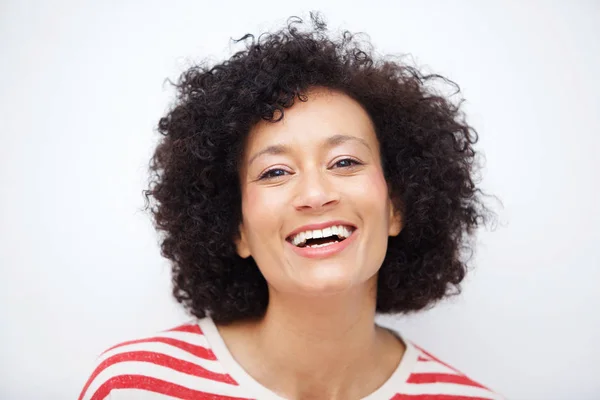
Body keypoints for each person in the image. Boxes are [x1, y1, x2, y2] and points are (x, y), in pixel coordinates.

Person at [79, 13, 501, 400]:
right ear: (236, 228)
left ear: (397, 207)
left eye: (345, 162)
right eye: (275, 172)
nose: (315, 194)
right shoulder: (135, 387)